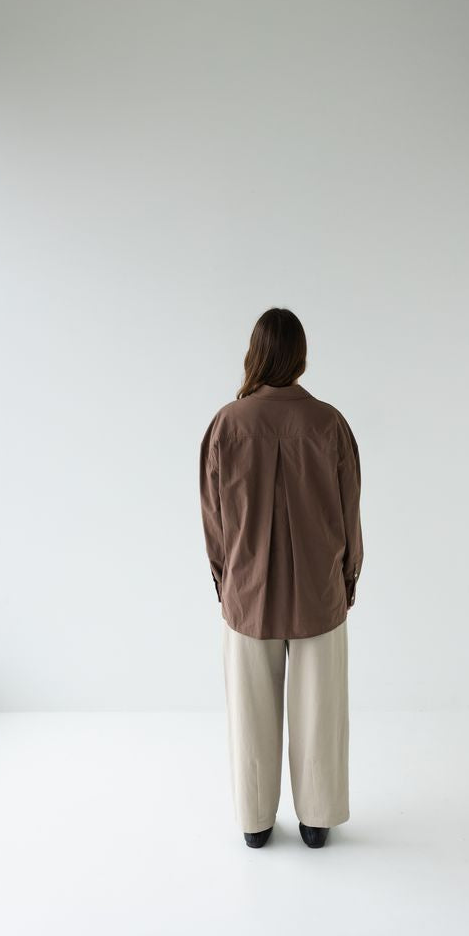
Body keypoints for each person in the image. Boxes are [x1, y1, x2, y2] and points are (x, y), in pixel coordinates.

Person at [199, 307, 363, 849]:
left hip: (248, 593)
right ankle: (316, 820)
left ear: (254, 354)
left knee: (249, 714)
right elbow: (349, 510)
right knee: (321, 712)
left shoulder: (227, 424)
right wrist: (347, 578)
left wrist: (226, 582)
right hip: (319, 592)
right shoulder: (328, 423)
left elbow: (214, 519)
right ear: (301, 357)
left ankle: (255, 822)